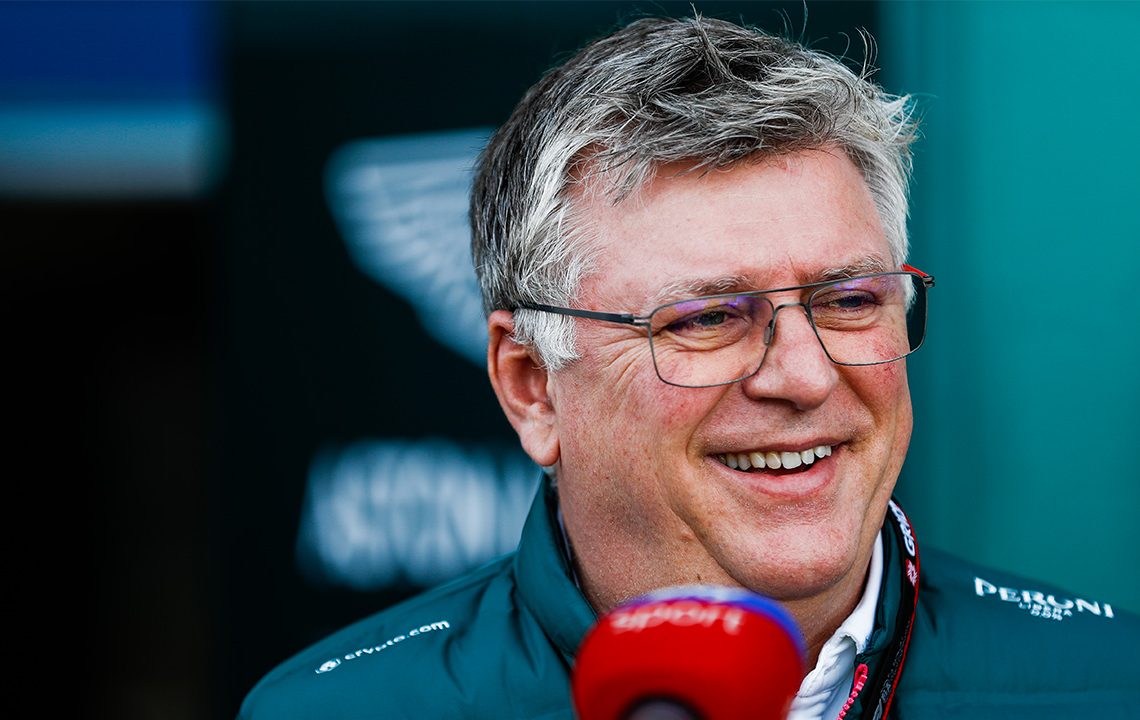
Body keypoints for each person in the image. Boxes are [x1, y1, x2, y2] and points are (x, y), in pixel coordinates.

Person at [238, 15, 1139, 719]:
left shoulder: (1109, 686)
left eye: (849, 300)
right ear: (531, 386)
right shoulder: (342, 711)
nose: (804, 377)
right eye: (708, 319)